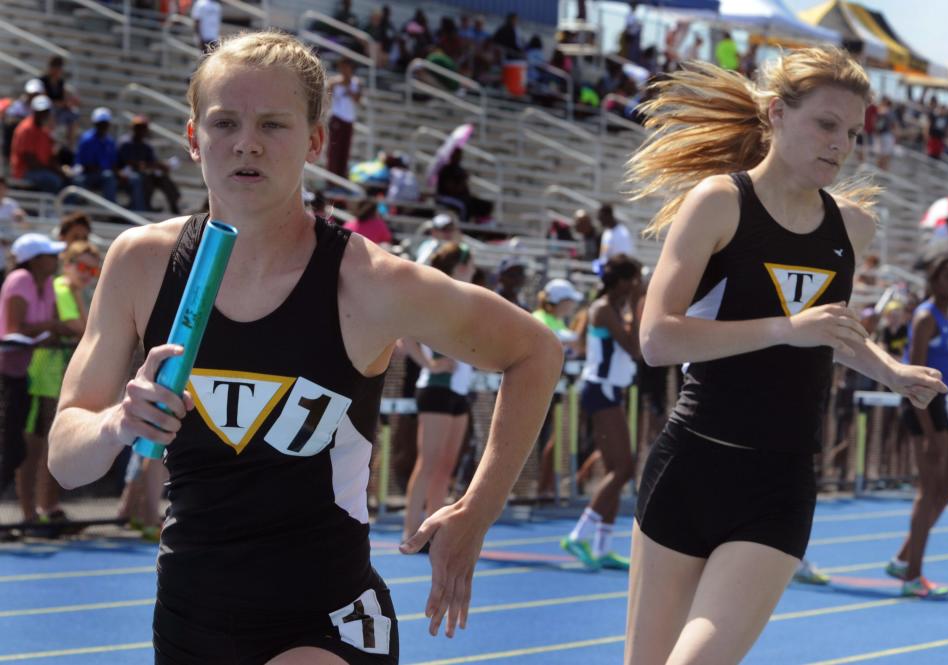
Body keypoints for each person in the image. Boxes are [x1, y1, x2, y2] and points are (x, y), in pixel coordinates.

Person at [46, 31, 562, 663]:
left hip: (330, 621)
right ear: (192, 138)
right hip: (188, 617)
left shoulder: (370, 282)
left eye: (273, 124)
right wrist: (117, 425)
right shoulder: (141, 264)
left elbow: (535, 351)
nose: (247, 143)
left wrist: (477, 510)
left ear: (316, 141)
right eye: (225, 122)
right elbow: (67, 460)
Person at [622, 47, 947, 664]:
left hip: (780, 484)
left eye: (853, 132)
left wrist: (890, 370)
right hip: (691, 466)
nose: (842, 144)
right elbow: (658, 338)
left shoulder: (852, 228)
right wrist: (783, 328)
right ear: (776, 112)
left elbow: (827, 333)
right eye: (827, 124)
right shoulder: (719, 202)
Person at [884, 256, 948, 599]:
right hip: (920, 403)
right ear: (933, 280)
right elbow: (913, 372)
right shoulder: (927, 315)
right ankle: (912, 576)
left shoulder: (947, 317)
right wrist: (930, 434)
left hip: (939, 402)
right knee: (929, 491)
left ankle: (903, 557)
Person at [561, 256, 640, 571]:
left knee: (615, 468)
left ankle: (603, 545)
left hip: (608, 390)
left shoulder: (610, 308)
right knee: (624, 468)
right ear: (622, 282)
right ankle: (579, 534)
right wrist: (638, 305)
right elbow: (634, 347)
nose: (638, 286)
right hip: (601, 390)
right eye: (635, 281)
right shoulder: (604, 309)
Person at [20, 240, 101, 531]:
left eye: (93, 270)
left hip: (58, 376)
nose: (87, 274)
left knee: (50, 446)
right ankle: (41, 509)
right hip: (46, 377)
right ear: (67, 264)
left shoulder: (72, 290)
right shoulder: (63, 289)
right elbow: (82, 328)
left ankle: (47, 508)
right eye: (82, 267)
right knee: (41, 447)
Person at [400, 242, 476, 545]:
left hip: (459, 389)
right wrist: (429, 363)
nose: (473, 269)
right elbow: (406, 333)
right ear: (458, 267)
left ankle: (433, 531)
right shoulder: (437, 296)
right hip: (436, 387)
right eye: (468, 264)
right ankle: (410, 531)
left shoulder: (466, 297)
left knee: (446, 466)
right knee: (428, 462)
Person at [0, 234, 71, 507]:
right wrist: (52, 327)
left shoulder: (49, 284)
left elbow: (46, 326)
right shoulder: (19, 280)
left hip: (30, 375)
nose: (55, 259)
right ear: (35, 260)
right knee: (13, 449)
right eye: (49, 255)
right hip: (10, 376)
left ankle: (31, 515)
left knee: (17, 449)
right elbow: (14, 329)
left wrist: (51, 329)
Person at [532, 278, 583, 499]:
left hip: (553, 392)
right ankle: (541, 487)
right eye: (569, 301)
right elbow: (569, 343)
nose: (572, 305)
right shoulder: (540, 319)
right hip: (536, 391)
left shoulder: (558, 322)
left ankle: (546, 487)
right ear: (559, 301)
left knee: (554, 439)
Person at [75, 107, 146, 210]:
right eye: (100, 123)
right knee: (108, 177)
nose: (103, 126)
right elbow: (86, 166)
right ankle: (112, 211)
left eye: (105, 123)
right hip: (89, 176)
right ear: (95, 124)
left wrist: (120, 174)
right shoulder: (87, 140)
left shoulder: (110, 141)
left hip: (107, 174)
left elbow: (113, 163)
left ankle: (138, 211)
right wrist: (110, 171)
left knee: (134, 178)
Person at [117, 115, 182, 214]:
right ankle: (145, 207)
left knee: (161, 177)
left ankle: (174, 204)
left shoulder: (146, 145)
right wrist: (150, 165)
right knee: (144, 179)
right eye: (138, 127)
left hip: (142, 173)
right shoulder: (125, 142)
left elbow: (151, 162)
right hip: (126, 174)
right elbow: (128, 162)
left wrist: (160, 166)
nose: (140, 130)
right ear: (133, 128)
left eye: (143, 128)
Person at [10, 95, 67, 194]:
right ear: (34, 111)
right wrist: (54, 170)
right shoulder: (26, 129)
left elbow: (50, 157)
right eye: (40, 112)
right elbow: (30, 161)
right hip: (24, 171)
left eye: (45, 112)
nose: (42, 115)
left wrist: (60, 171)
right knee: (53, 180)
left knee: (69, 180)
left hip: (41, 170)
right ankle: (58, 207)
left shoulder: (45, 131)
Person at [327, 58, 362, 179]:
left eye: (347, 67)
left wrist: (349, 90)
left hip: (349, 119)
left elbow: (358, 99)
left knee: (345, 150)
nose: (344, 70)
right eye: (342, 67)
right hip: (337, 118)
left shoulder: (356, 83)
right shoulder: (334, 82)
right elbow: (327, 96)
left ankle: (341, 177)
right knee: (334, 150)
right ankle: (331, 177)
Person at [40, 55, 81, 149]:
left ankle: (70, 144)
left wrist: (68, 103)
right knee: (51, 112)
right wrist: (58, 103)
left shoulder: (60, 82)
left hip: (59, 108)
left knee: (74, 113)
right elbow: (44, 99)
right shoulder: (43, 81)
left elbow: (63, 99)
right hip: (47, 109)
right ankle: (49, 141)